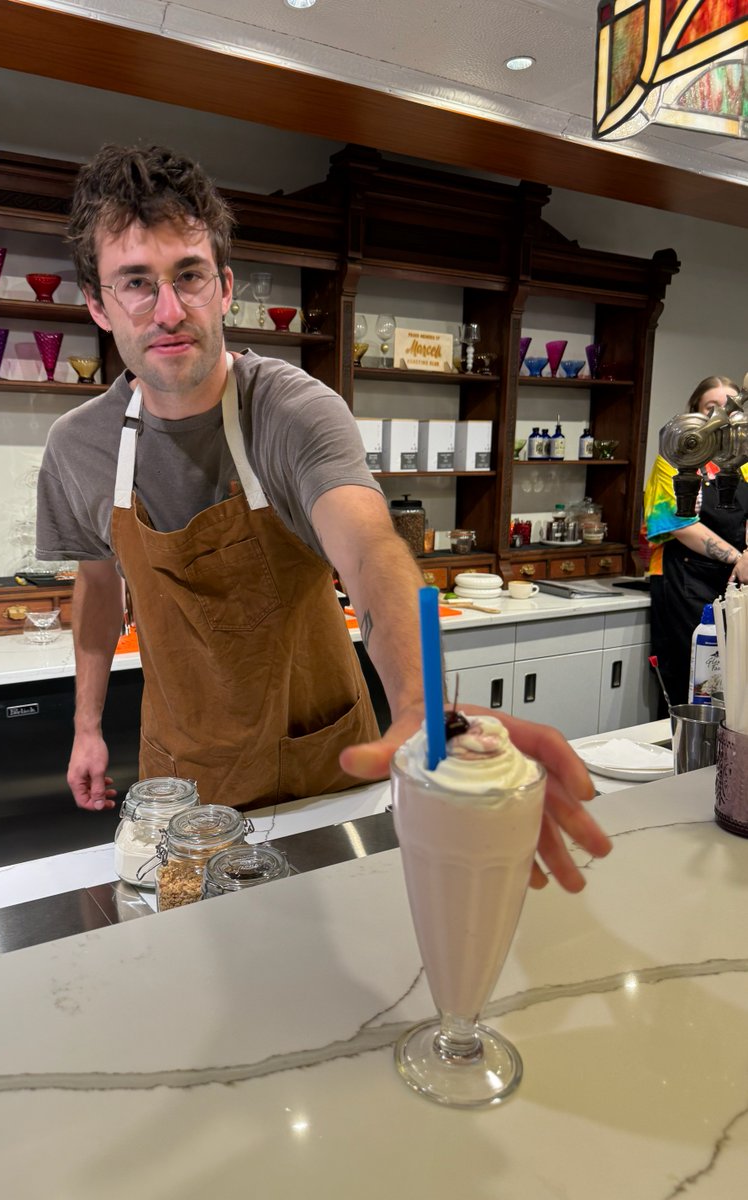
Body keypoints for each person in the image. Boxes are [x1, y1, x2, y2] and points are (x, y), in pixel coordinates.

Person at [36, 143, 610, 892]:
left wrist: (419, 705)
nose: (169, 310)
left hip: (326, 770)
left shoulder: (291, 411)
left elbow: (369, 552)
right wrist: (85, 726)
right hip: (184, 776)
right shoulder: (79, 448)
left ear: (225, 285)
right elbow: (98, 584)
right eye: (136, 284)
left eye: (190, 276)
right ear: (97, 302)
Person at [645, 375, 748, 706]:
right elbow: (678, 523)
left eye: (731, 407)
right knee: (691, 686)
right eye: (711, 407)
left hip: (735, 586)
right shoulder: (674, 457)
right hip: (685, 585)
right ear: (695, 413)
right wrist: (738, 558)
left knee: (733, 690)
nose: (722, 415)